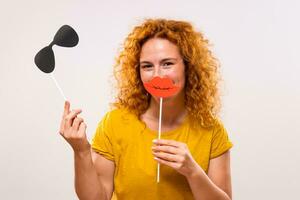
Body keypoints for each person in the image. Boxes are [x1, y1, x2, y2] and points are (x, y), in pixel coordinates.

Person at [59, 18, 234, 200]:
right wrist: (81, 151)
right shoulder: (115, 123)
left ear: (188, 67)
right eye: (147, 66)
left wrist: (193, 172)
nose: (157, 75)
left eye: (167, 64)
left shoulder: (211, 130)